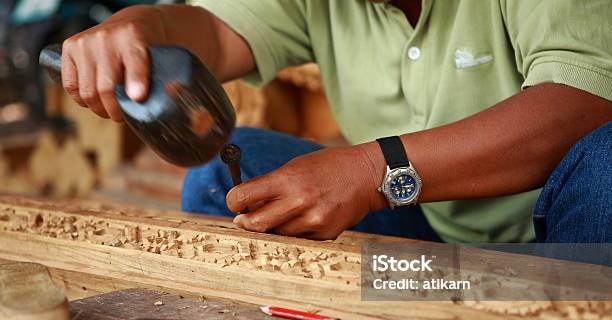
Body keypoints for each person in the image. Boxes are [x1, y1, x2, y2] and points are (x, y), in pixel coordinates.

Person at [59, 1, 612, 243]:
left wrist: (373, 171)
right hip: (431, 252)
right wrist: (142, 25)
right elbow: (210, 31)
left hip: (561, 248)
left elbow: (584, 101)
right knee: (230, 176)